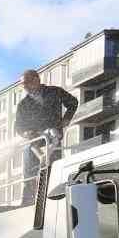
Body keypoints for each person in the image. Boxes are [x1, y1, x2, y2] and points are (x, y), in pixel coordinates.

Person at [14, 70, 78, 204]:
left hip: (53, 140)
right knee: (30, 174)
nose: (24, 87)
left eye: (26, 83)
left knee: (53, 171)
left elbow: (73, 102)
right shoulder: (23, 104)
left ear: (36, 79)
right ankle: (27, 202)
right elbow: (18, 127)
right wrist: (26, 133)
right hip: (34, 142)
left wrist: (66, 120)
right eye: (22, 85)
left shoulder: (55, 92)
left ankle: (52, 201)